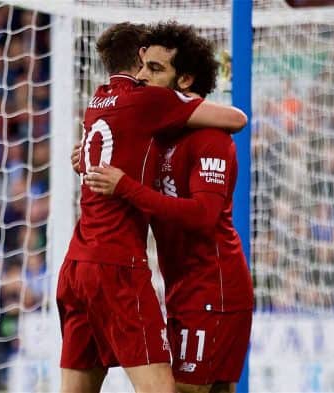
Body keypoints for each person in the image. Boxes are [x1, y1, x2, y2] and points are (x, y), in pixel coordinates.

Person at [57, 22, 248, 393]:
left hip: (212, 288)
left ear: (186, 80)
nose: (143, 78)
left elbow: (204, 216)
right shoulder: (152, 131)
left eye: (155, 69)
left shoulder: (209, 139)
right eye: (143, 67)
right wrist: (90, 157)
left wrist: (125, 186)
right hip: (167, 282)